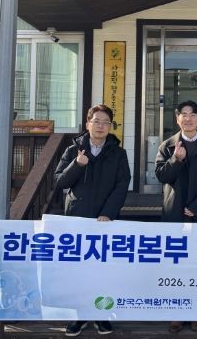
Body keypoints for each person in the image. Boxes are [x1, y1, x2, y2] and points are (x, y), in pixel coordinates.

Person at [54, 104, 131, 337]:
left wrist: (109, 212)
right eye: (96, 121)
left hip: (105, 219)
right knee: (78, 269)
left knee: (103, 268)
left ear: (110, 126)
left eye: (106, 122)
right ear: (88, 123)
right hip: (77, 218)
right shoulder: (73, 150)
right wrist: (77, 165)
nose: (100, 126)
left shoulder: (118, 153)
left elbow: (122, 185)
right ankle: (78, 315)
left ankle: (102, 314)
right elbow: (60, 182)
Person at [155, 100, 197, 334]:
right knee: (176, 266)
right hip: (174, 213)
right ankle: (177, 311)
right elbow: (161, 176)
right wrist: (176, 159)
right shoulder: (167, 145)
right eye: (184, 114)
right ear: (177, 119)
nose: (188, 118)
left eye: (193, 114)